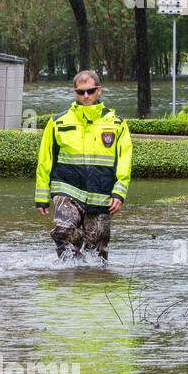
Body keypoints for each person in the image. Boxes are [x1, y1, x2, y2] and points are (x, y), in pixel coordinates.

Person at [35, 70, 133, 259]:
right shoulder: (58, 122)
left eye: (90, 91)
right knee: (64, 229)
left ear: (99, 90)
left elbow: (125, 161)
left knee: (97, 252)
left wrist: (119, 192)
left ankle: (88, 275)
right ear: (75, 93)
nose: (86, 96)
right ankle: (66, 273)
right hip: (67, 188)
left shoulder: (118, 124)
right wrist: (41, 196)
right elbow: (45, 160)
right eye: (81, 92)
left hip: (101, 194)